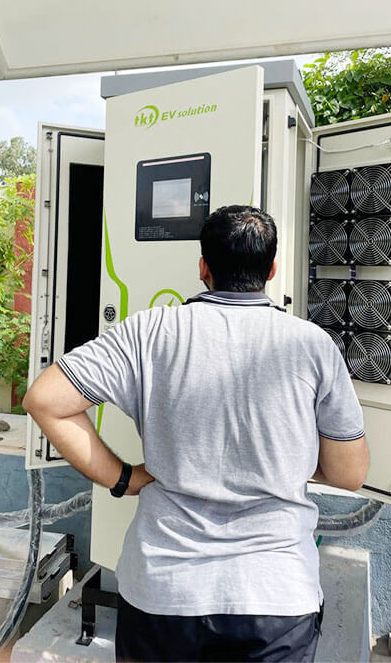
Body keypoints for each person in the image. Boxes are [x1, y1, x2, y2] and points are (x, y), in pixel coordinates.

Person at [24, 205, 369, 663]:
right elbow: (348, 474)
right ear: (272, 270)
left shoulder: (151, 331)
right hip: (275, 596)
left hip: (164, 594)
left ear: (203, 267)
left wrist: (123, 478)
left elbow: (45, 400)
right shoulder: (312, 345)